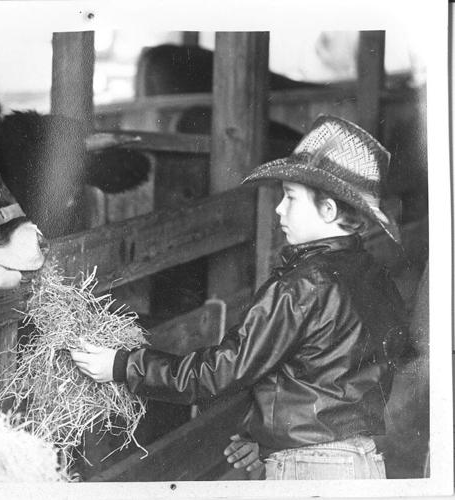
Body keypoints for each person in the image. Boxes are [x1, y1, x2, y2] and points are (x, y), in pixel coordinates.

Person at [69, 115, 407, 480]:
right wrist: (271, 438)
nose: (279, 209)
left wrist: (123, 366)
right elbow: (329, 377)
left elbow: (221, 370)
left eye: (290, 198)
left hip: (311, 471)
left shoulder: (302, 286)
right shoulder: (374, 275)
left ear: (328, 210)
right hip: (362, 464)